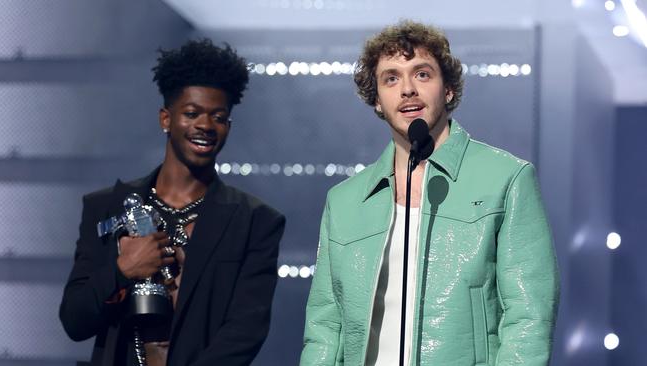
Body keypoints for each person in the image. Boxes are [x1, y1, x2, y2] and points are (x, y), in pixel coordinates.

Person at [301, 20, 559, 366]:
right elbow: (325, 328)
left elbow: (529, 318)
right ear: (377, 100)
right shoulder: (344, 201)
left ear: (448, 89)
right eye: (391, 78)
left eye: (422, 74)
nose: (407, 89)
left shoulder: (507, 179)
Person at [60, 39, 285, 366]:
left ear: (228, 126)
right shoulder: (107, 207)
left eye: (218, 117)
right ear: (166, 119)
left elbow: (245, 332)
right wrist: (124, 269)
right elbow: (74, 321)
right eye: (192, 113)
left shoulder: (255, 222)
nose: (205, 126)